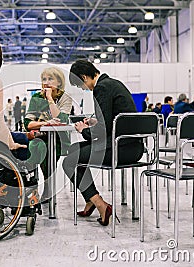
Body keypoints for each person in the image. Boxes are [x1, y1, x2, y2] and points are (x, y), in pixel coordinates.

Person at [63, 60, 144, 226]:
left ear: (84, 77)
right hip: (131, 146)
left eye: (80, 85)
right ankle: (91, 200)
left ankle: (100, 204)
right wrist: (94, 122)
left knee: (69, 161)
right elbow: (110, 121)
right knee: (73, 150)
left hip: (121, 148)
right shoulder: (113, 83)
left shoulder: (101, 88)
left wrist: (83, 130)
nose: (82, 89)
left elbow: (103, 130)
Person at [24, 66, 72, 202]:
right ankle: (32, 186)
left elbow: (62, 119)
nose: (46, 82)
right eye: (44, 79)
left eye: (50, 79)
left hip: (59, 139)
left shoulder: (65, 98)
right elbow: (28, 123)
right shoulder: (36, 97)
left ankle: (48, 186)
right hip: (40, 137)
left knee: (48, 151)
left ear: (59, 82)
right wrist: (45, 123)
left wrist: (50, 98)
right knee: (33, 147)